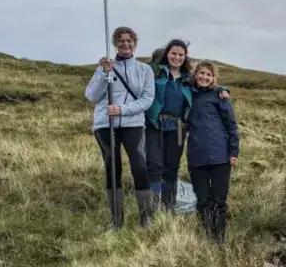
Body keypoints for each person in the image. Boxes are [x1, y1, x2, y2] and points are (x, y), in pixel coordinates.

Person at [143, 39, 230, 211]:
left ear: (185, 57)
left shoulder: (188, 79)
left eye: (180, 54)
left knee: (172, 169)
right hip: (155, 126)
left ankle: (168, 208)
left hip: (178, 129)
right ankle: (151, 209)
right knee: (154, 167)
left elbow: (208, 84)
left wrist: (223, 89)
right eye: (173, 53)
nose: (177, 57)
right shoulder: (155, 72)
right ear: (167, 54)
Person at [84, 26, 156, 229]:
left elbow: (147, 99)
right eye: (121, 40)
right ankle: (116, 220)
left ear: (135, 43)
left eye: (129, 40)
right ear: (115, 44)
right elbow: (91, 96)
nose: (125, 44)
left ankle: (146, 217)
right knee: (112, 166)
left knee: (140, 166)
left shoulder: (144, 70)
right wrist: (103, 75)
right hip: (106, 125)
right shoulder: (104, 67)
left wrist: (122, 109)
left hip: (133, 123)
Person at [186, 61, 239, 244]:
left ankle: (219, 240)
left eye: (209, 75)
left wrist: (234, 152)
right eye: (201, 73)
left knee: (219, 201)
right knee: (202, 200)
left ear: (213, 78)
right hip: (197, 156)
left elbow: (231, 125)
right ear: (195, 74)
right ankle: (208, 237)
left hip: (220, 156)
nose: (204, 77)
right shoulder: (188, 94)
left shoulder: (220, 97)